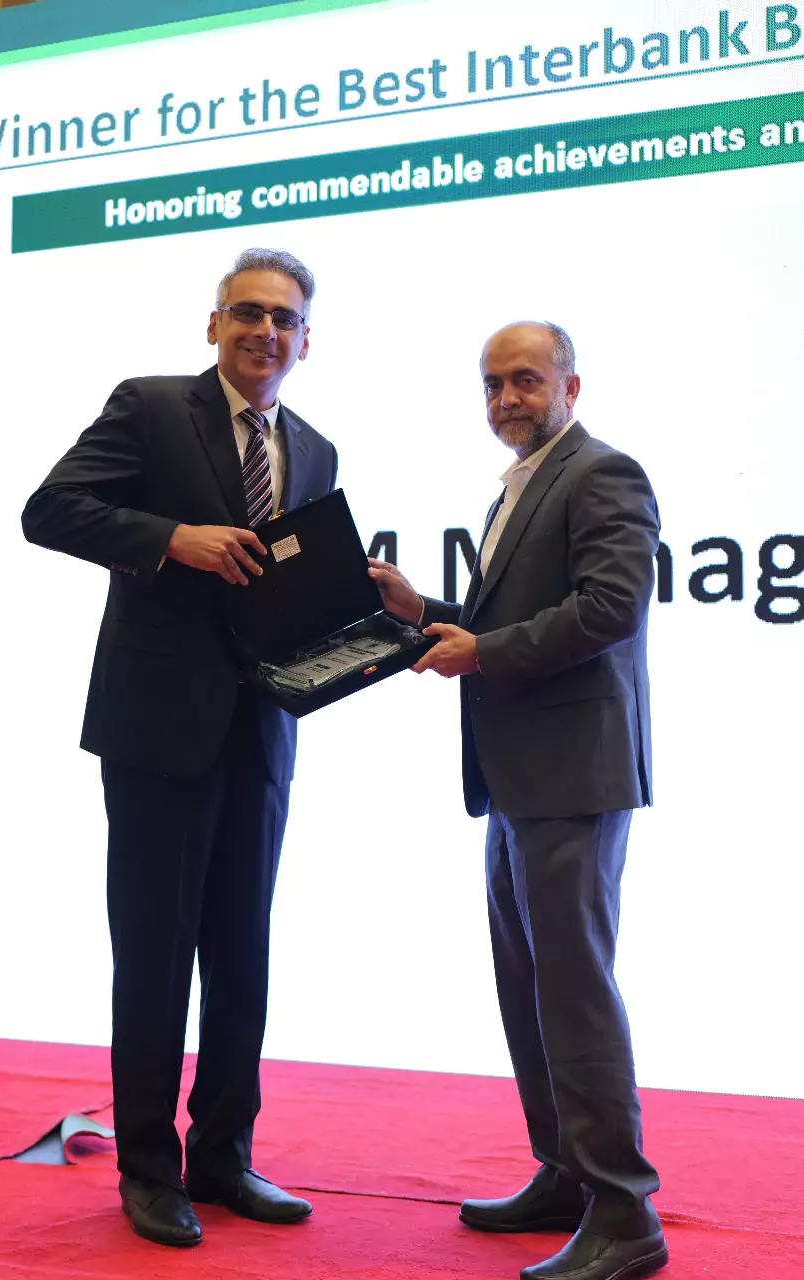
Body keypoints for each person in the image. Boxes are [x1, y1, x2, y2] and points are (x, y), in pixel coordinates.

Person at [22, 248, 338, 1248]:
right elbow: (49, 510)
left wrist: (356, 619)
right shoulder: (151, 406)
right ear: (213, 324)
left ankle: (224, 1157)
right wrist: (171, 538)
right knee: (155, 955)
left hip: (264, 731)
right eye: (247, 312)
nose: (264, 331)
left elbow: (290, 591)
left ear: (305, 340)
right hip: (158, 729)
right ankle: (150, 1169)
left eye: (283, 319)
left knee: (242, 954)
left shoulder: (316, 451)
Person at [369, 321, 667, 1280]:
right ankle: (567, 1176)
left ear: (570, 386)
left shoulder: (601, 473)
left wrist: (483, 651)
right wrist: (424, 614)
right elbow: (513, 619)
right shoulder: (519, 486)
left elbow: (609, 607)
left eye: (526, 380)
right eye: (493, 383)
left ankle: (624, 1214)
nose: (507, 398)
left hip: (573, 774)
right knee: (531, 988)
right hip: (517, 779)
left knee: (572, 995)